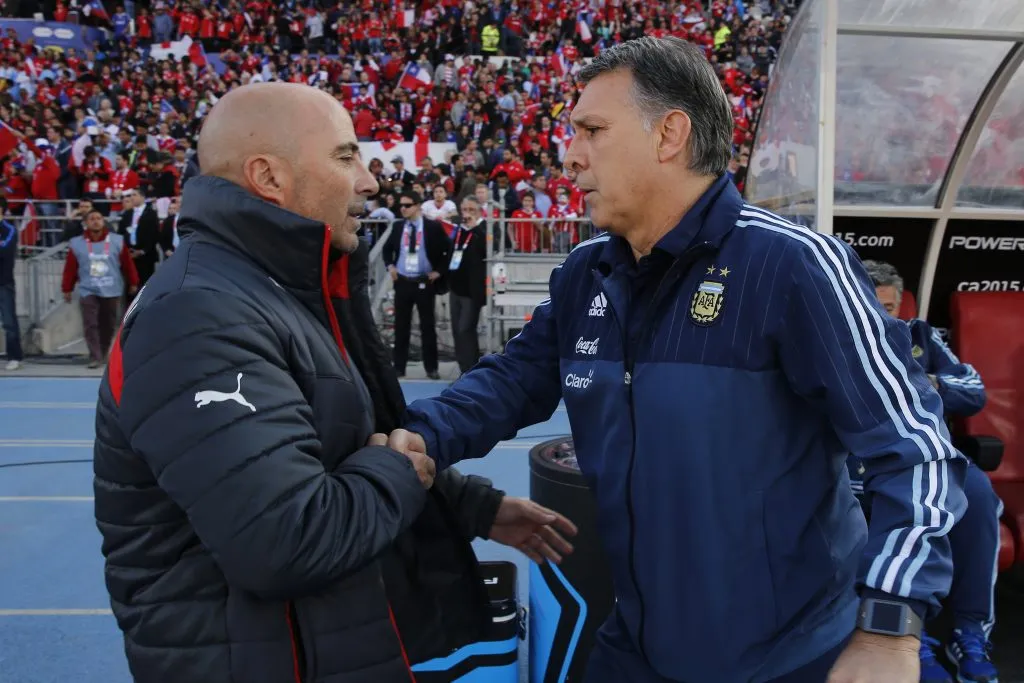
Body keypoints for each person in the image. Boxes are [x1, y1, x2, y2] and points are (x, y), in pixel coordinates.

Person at [393, 37, 968, 683]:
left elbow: (915, 450)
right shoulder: (587, 272)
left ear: (669, 134)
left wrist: (887, 627)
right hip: (639, 644)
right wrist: (425, 434)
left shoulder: (793, 266)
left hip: (790, 657)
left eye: (591, 130)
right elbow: (515, 377)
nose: (570, 155)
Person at [92, 82, 575, 683]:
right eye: (346, 157)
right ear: (269, 177)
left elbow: (338, 446)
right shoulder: (198, 314)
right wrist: (401, 471)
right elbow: (286, 540)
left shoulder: (276, 290)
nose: (370, 182)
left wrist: (469, 505)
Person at [861, 261, 1001, 683]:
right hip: (862, 461)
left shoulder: (921, 335)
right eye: (871, 304)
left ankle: (970, 632)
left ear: (901, 306)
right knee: (873, 503)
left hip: (932, 455)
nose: (881, 315)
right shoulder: (840, 337)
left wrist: (927, 382)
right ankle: (909, 635)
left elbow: (974, 391)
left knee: (978, 493)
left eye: (889, 307)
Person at [381, 190, 452, 380]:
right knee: (401, 326)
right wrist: (390, 266)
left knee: (427, 326)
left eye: (407, 205)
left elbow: (448, 249)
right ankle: (399, 367)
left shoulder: (432, 227)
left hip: (424, 282)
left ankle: (431, 368)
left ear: (418, 206)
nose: (403, 209)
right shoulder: (398, 226)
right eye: (401, 206)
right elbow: (387, 249)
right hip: (403, 281)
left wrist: (439, 271)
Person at [61, 209, 139, 368]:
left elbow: (127, 263)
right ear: (86, 223)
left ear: (103, 222)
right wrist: (67, 288)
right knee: (90, 323)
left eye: (98, 218)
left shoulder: (117, 241)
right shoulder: (77, 244)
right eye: (92, 219)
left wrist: (133, 282)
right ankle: (95, 356)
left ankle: (103, 353)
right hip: (88, 289)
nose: (96, 221)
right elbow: (70, 268)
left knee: (108, 323)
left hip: (111, 289)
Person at [447, 196, 489, 375]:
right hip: (455, 287)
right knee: (457, 331)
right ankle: (463, 369)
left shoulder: (484, 228)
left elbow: (487, 251)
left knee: (466, 329)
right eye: (465, 210)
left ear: (479, 211)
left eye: (472, 210)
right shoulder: (459, 230)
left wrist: (475, 228)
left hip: (472, 290)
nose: (467, 214)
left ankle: (472, 370)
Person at [0, 196, 23, 371]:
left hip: (4, 282)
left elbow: (5, 251)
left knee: (9, 320)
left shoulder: (9, 230)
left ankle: (14, 356)